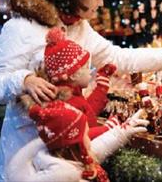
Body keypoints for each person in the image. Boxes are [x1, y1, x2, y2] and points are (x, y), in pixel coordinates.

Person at [0, 0, 162, 181]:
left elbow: (115, 57)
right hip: (26, 153)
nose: (101, 4)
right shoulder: (22, 27)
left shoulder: (80, 27)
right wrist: (25, 80)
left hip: (69, 152)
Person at [20, 27, 115, 181]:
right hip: (78, 163)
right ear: (73, 74)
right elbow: (82, 135)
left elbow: (88, 112)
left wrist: (102, 85)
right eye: (86, 68)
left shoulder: (73, 95)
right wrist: (109, 129)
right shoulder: (69, 103)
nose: (90, 71)